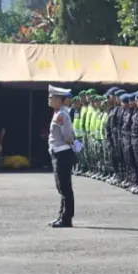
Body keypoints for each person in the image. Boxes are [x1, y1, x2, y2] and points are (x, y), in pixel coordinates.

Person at [47, 85, 77, 228]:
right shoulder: (58, 113)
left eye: (52, 97)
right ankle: (62, 215)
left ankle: (66, 218)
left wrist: (73, 144)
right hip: (58, 152)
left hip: (62, 153)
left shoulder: (62, 115)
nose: (49, 99)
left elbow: (67, 136)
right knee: (61, 187)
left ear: (59, 100)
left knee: (64, 187)